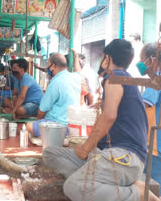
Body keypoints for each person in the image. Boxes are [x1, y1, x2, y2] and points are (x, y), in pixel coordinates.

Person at [43, 39, 159, 201]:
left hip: (124, 157)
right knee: (50, 154)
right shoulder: (123, 79)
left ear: (107, 59)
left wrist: (85, 148)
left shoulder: (114, 77)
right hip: (112, 154)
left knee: (72, 187)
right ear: (130, 61)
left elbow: (109, 116)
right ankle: (104, 182)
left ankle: (136, 193)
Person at [26, 53, 81, 137]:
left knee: (28, 126)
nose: (47, 68)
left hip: (58, 125)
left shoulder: (55, 83)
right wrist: (76, 58)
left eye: (48, 65)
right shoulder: (76, 77)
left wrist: (37, 122)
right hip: (72, 124)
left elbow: (41, 111)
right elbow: (78, 71)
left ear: (53, 66)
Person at [137, 42, 161, 191]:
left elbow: (141, 106)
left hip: (154, 147)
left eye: (141, 59)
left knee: (153, 189)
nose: (140, 64)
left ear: (151, 60)